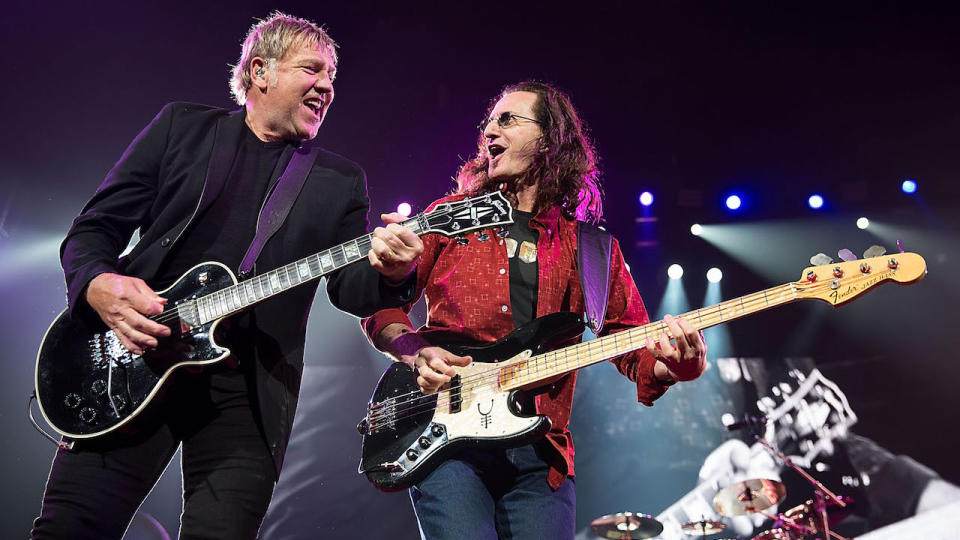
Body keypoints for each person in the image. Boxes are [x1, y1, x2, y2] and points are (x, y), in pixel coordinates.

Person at [32, 12, 423, 540]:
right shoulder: (181, 129)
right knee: (69, 529)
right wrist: (98, 285)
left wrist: (395, 271)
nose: (327, 87)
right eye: (313, 70)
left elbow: (353, 290)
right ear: (260, 71)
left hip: (248, 396)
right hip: (130, 357)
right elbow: (93, 230)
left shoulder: (339, 181)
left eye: (333, 77)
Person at [361, 81, 708, 539]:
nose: (489, 131)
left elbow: (633, 344)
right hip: (446, 441)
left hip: (540, 456)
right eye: (487, 122)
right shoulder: (450, 217)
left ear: (549, 140)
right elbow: (381, 307)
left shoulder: (592, 249)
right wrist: (413, 352)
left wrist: (671, 366)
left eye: (506, 120)